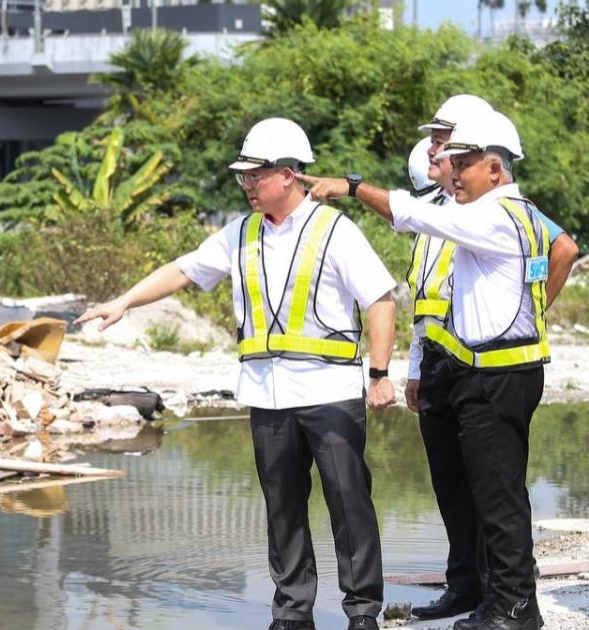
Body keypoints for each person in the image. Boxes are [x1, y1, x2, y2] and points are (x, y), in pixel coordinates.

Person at [77, 118, 396, 630]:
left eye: (256, 174)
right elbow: (183, 270)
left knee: (348, 502)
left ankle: (362, 613)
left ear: (289, 174)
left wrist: (379, 372)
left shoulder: (334, 230)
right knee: (282, 507)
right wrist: (124, 302)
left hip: (330, 392)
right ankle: (293, 611)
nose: (247, 184)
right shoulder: (241, 232)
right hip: (268, 395)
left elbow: (380, 299)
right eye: (243, 176)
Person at [300, 109, 575, 630]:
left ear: (494, 168)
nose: (453, 172)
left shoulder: (495, 214)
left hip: (495, 378)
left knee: (499, 500)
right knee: (494, 496)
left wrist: (354, 187)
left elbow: (414, 215)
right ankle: (504, 603)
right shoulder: (506, 210)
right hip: (488, 373)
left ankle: (514, 610)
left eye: (463, 164)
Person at [400, 98, 579, 624]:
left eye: (445, 139)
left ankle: (509, 602)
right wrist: (414, 368)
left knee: (494, 488)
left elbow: (563, 248)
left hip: (486, 362)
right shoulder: (442, 206)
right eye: (435, 140)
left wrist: (527, 310)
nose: (436, 148)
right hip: (440, 357)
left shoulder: (497, 208)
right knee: (454, 484)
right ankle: (469, 587)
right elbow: (423, 298)